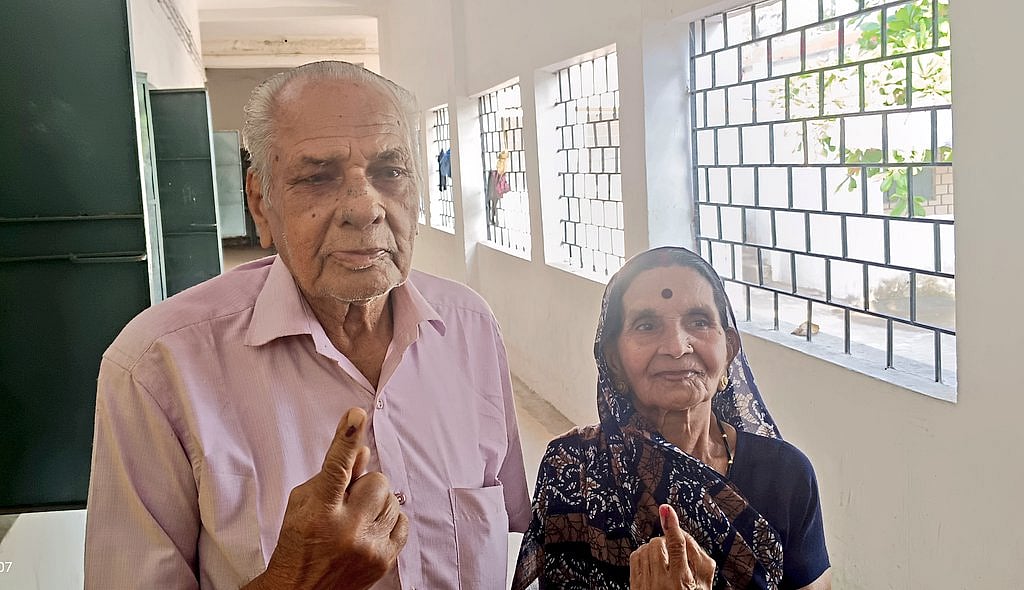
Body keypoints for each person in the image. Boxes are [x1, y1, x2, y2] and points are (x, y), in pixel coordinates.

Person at [85, 61, 531, 589]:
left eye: (390, 172)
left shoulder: (468, 327)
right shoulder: (157, 368)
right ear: (261, 205)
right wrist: (296, 581)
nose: (365, 208)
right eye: (317, 177)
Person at [513, 246, 831, 590]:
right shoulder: (572, 468)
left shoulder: (785, 475)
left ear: (729, 350)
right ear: (614, 359)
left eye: (698, 322)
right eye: (646, 325)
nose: (677, 347)